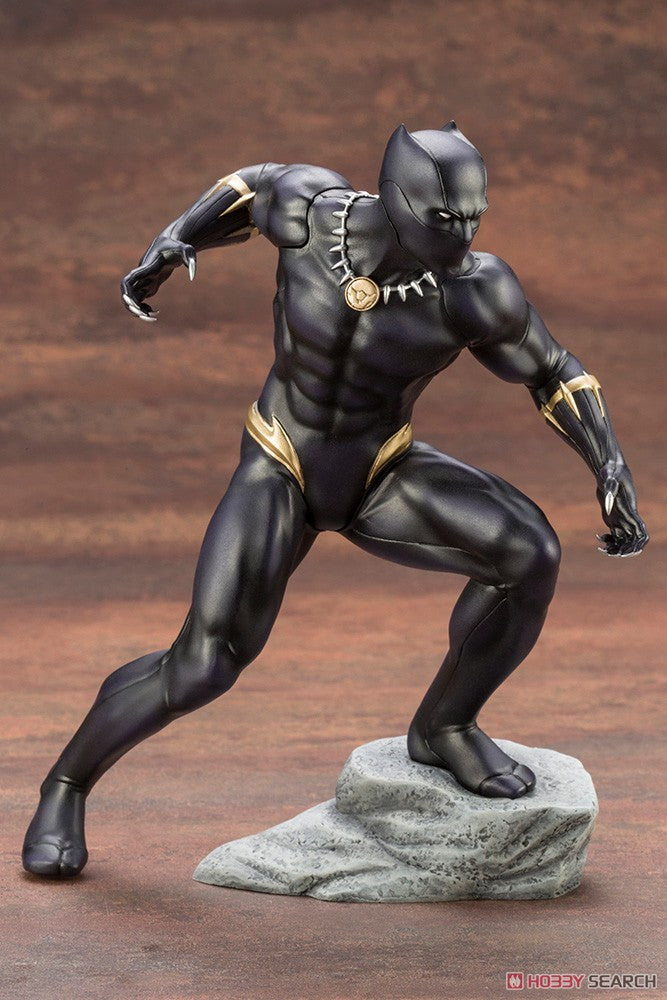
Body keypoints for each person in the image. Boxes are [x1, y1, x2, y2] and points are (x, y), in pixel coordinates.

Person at [23, 122, 648, 878]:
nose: (463, 235)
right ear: (395, 198)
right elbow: (251, 186)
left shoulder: (475, 291)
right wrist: (177, 236)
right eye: (443, 218)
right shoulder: (312, 211)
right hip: (280, 462)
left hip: (379, 470)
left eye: (474, 216)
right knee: (204, 664)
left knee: (528, 554)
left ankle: (445, 726)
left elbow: (551, 370)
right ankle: (66, 784)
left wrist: (608, 462)